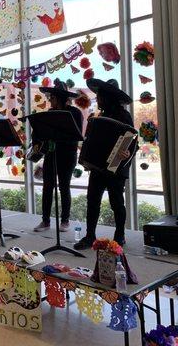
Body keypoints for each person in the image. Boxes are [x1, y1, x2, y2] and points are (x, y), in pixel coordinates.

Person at [74, 78, 136, 250]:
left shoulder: (124, 116)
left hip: (117, 166)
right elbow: (92, 141)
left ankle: (119, 235)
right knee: (92, 200)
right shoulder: (99, 117)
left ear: (108, 97)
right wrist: (86, 159)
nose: (98, 99)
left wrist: (127, 152)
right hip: (98, 167)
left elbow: (132, 140)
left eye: (100, 96)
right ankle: (89, 236)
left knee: (117, 202)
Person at [33, 80, 84, 233]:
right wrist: (36, 141)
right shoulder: (49, 113)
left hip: (68, 155)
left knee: (64, 186)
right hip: (51, 154)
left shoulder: (75, 112)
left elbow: (77, 134)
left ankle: (65, 220)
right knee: (47, 187)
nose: (50, 100)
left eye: (53, 98)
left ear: (61, 98)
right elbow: (38, 131)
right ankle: (45, 221)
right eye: (50, 98)